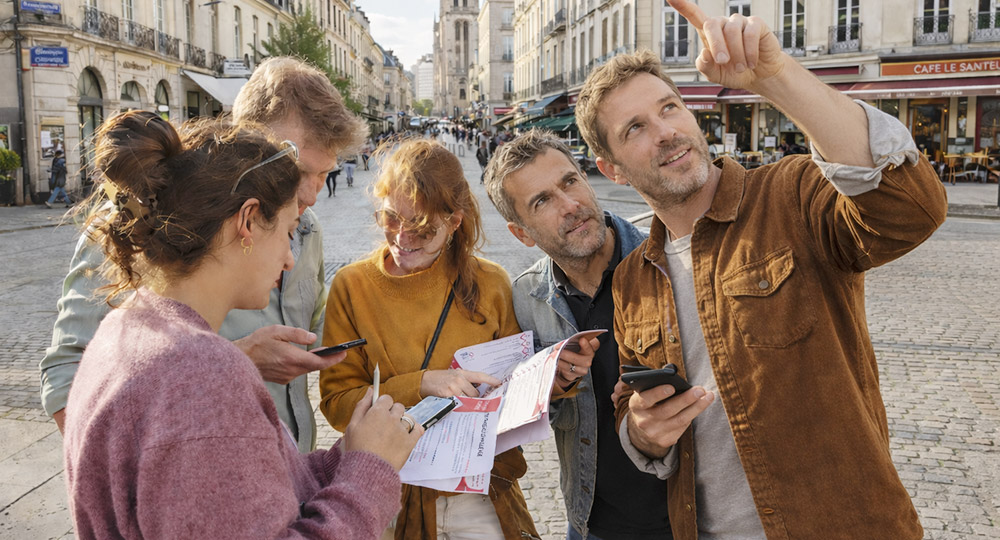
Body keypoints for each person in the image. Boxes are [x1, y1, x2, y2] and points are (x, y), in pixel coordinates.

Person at [575, 2, 948, 539]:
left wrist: (775, 78)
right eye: (635, 128)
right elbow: (628, 406)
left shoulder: (791, 194)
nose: (665, 132)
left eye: (670, 108)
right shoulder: (633, 277)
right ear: (610, 167)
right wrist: (641, 432)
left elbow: (911, 208)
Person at [63, 110, 422, 538]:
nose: (290, 257)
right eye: (289, 231)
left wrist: (345, 457)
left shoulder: (128, 327)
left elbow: (241, 491)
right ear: (248, 221)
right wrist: (370, 471)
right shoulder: (199, 371)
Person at [39, 57, 364, 451]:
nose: (311, 196)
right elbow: (68, 382)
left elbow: (317, 328)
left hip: (288, 479)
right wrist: (234, 361)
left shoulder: (307, 231)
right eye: (298, 170)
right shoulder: (140, 218)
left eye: (325, 174)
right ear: (245, 139)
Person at [318, 139, 597, 540]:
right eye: (391, 217)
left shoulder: (492, 283)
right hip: (391, 495)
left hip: (482, 495)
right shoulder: (352, 286)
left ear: (454, 222)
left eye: (423, 228)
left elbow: (512, 393)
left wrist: (551, 381)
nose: (402, 238)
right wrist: (422, 383)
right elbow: (337, 405)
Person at [483, 129, 671, 540]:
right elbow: (529, 414)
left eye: (570, 181)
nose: (571, 206)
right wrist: (548, 388)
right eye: (542, 201)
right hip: (591, 523)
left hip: (689, 517)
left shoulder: (667, 264)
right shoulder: (527, 298)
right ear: (522, 234)